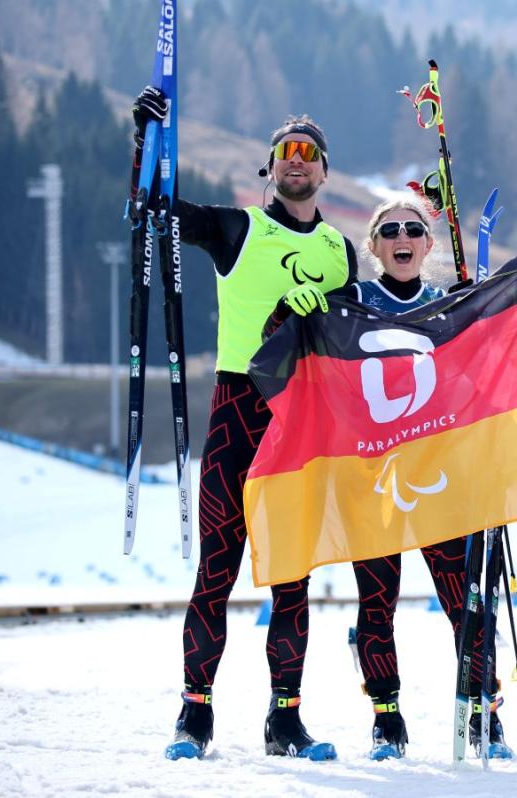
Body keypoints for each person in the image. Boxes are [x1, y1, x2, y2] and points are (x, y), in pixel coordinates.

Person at [131, 86, 356, 761]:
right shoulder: (238, 229)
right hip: (237, 412)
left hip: (302, 419)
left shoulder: (341, 250)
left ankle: (283, 720)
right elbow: (153, 211)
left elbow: (352, 341)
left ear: (323, 170)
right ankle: (193, 714)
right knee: (218, 571)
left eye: (307, 153)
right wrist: (144, 139)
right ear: (270, 166)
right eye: (285, 151)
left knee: (292, 576)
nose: (296, 161)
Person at [261, 197, 513, 761]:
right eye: (389, 231)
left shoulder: (449, 306)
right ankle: (386, 718)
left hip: (439, 479)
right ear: (372, 247)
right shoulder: (349, 304)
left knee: (466, 602)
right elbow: (281, 345)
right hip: (372, 478)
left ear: (428, 245)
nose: (402, 238)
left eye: (414, 230)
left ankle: (484, 713)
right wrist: (288, 309)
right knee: (378, 603)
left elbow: (481, 383)